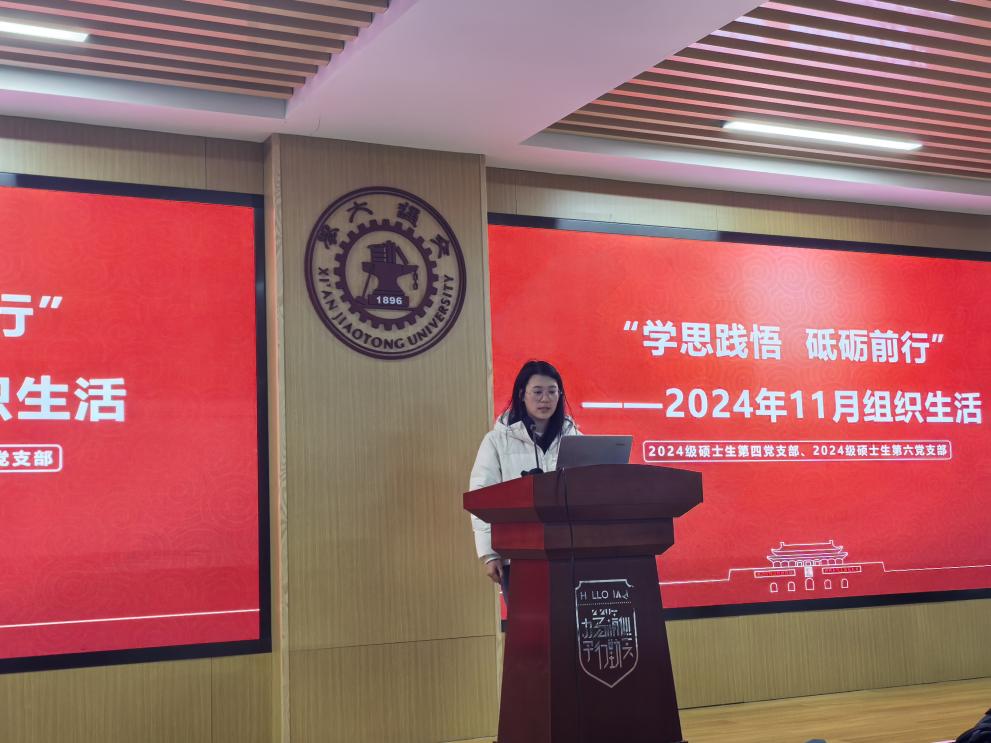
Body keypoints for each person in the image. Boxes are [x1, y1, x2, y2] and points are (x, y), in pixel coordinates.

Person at [468, 359, 580, 589]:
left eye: (552, 392)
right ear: (522, 395)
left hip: (568, 552)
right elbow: (482, 498)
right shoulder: (497, 440)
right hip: (517, 553)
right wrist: (489, 554)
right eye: (537, 392)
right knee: (528, 613)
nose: (545, 399)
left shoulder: (574, 438)